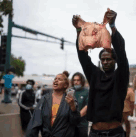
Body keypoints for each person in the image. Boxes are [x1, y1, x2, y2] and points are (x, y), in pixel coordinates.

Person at [73, 8, 129, 137]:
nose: (105, 62)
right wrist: (78, 31)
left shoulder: (121, 76)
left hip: (115, 133)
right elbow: (83, 56)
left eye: (108, 59)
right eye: (102, 59)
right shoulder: (95, 75)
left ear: (115, 61)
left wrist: (112, 26)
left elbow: (121, 53)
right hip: (95, 133)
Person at [26, 71, 81, 137]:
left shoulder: (70, 100)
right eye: (55, 79)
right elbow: (35, 122)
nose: (56, 80)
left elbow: (76, 122)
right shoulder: (45, 99)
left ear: (65, 85)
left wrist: (73, 107)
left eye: (59, 79)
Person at [68, 72, 89, 137]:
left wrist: (76, 117)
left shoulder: (87, 92)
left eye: (78, 80)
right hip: (70, 125)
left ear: (82, 81)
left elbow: (86, 107)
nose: (76, 82)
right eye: (74, 80)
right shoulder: (70, 91)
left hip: (82, 124)